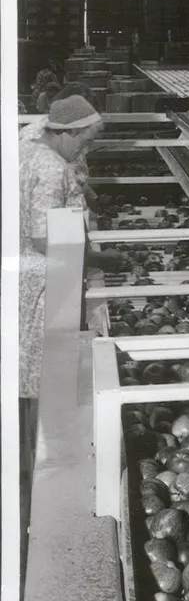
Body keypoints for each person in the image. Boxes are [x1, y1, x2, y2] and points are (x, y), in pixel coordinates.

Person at [19, 95, 125, 399]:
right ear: (67, 132)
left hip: (26, 271)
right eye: (83, 141)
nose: (83, 150)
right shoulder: (53, 167)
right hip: (45, 280)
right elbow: (44, 239)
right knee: (46, 369)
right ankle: (47, 424)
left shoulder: (28, 148)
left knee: (27, 360)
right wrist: (97, 260)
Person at [20, 83, 103, 210]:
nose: (85, 150)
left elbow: (77, 179)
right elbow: (48, 217)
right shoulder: (48, 162)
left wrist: (93, 200)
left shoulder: (52, 134)